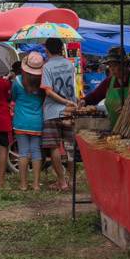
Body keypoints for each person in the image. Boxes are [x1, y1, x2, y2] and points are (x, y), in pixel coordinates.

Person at [40, 38, 77, 192]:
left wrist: (63, 101)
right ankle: (72, 180)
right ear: (62, 49)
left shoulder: (47, 67)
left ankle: (62, 182)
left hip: (52, 111)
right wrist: (69, 102)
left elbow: (48, 90)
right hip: (70, 111)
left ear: (47, 50)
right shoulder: (70, 64)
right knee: (70, 146)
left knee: (54, 147)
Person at [11, 53, 44, 191]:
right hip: (37, 121)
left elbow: (13, 97)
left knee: (23, 152)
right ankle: (36, 184)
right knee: (36, 152)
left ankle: (23, 184)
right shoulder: (42, 83)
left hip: (20, 121)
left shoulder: (17, 81)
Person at [82, 47, 130, 128]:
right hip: (114, 129)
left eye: (115, 65)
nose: (111, 69)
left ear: (125, 65)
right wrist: (83, 101)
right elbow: (95, 96)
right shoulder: (109, 81)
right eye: (110, 66)